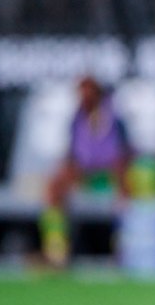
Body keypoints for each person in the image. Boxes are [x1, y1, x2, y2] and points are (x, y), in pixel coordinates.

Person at [41, 76, 132, 267]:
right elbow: (72, 155)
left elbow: (123, 155)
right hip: (85, 175)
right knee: (54, 186)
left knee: (125, 178)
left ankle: (124, 248)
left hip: (109, 175)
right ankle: (56, 250)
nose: (83, 97)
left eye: (87, 92)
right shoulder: (76, 119)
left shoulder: (114, 119)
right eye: (80, 93)